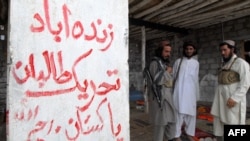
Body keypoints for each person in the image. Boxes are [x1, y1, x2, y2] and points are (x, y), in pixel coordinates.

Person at [210, 40, 250, 141]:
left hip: (232, 101)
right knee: (222, 123)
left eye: (225, 50)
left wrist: (235, 98)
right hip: (221, 100)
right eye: (221, 50)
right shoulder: (225, 64)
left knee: (234, 124)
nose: (222, 52)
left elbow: (245, 83)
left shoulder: (241, 63)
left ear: (232, 49)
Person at [146, 40, 176, 141]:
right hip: (160, 99)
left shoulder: (163, 63)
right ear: (160, 51)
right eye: (166, 51)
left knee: (172, 122)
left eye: (169, 52)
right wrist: (167, 72)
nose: (168, 54)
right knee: (160, 126)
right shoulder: (154, 63)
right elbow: (157, 81)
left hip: (168, 98)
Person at [172, 41, 200, 141]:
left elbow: (196, 79)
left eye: (191, 49)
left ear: (194, 50)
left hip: (191, 92)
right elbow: (173, 77)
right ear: (184, 50)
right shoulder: (178, 62)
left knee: (191, 114)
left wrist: (197, 94)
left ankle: (189, 133)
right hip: (179, 91)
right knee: (178, 113)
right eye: (187, 49)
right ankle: (176, 135)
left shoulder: (196, 63)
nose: (188, 51)